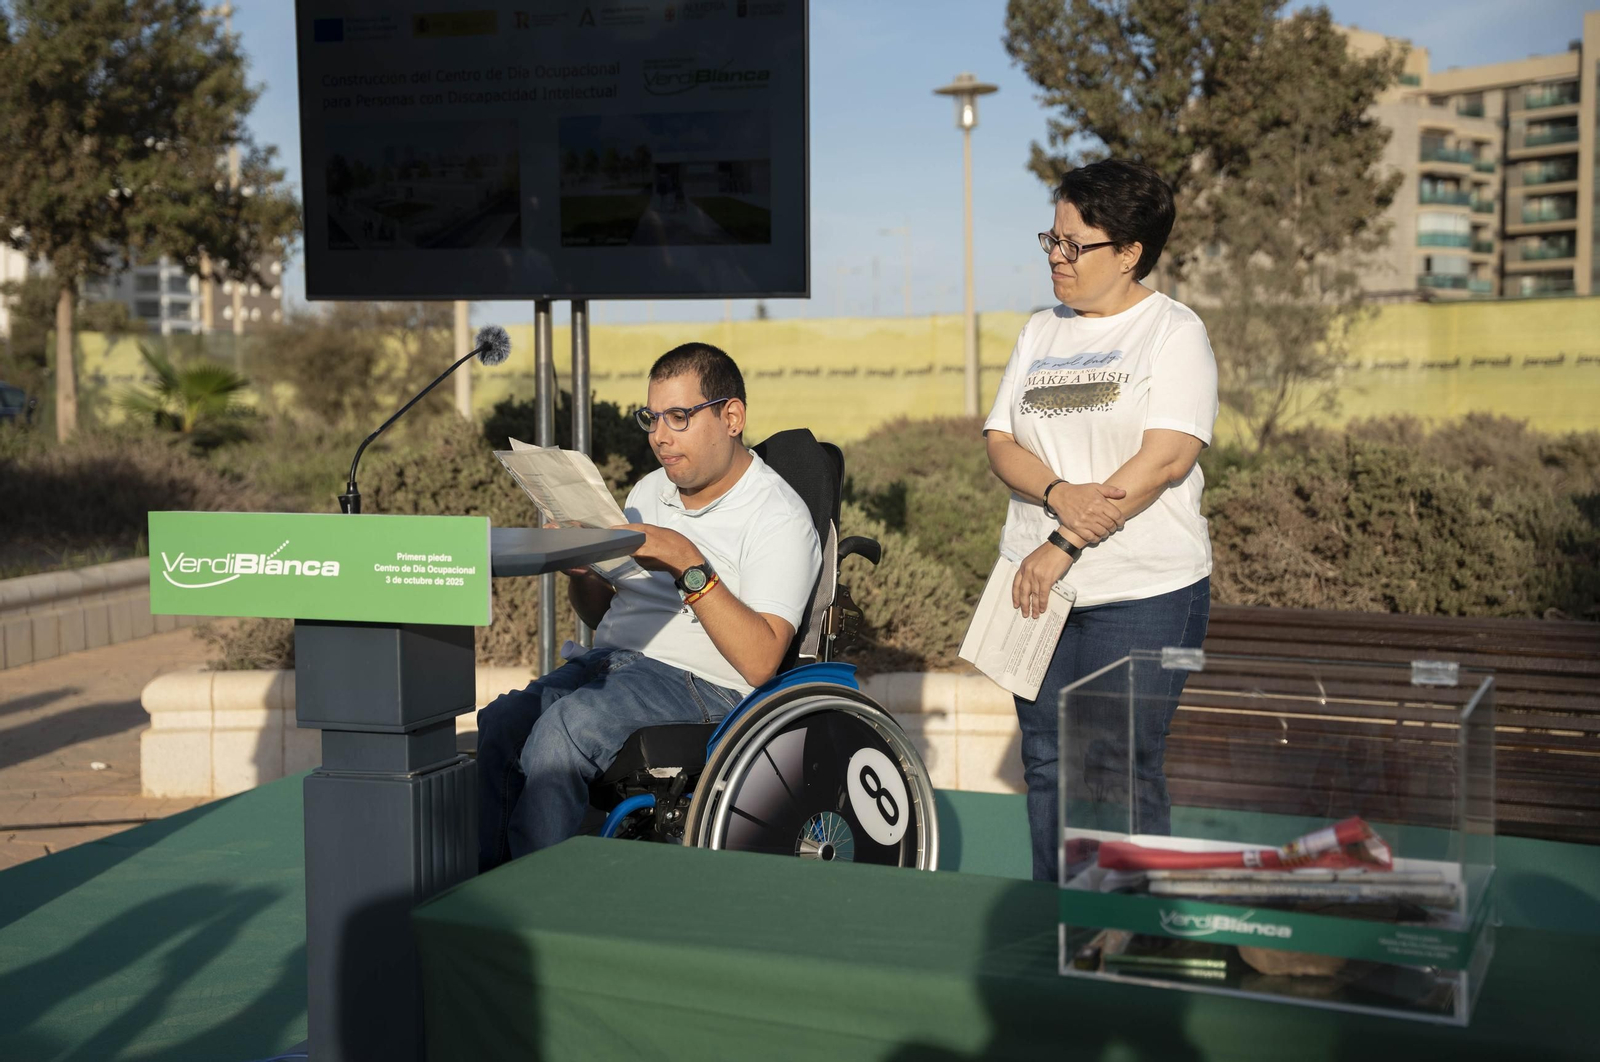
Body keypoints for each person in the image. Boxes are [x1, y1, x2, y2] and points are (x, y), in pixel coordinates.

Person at [477, 343, 822, 870]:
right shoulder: (650, 488)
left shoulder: (779, 516)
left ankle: (538, 911)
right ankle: (490, 893)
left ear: (732, 416)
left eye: (679, 417)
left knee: (562, 732)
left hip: (705, 682)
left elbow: (759, 661)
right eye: (652, 418)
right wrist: (584, 571)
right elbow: (606, 614)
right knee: (501, 723)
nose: (660, 437)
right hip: (616, 661)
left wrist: (686, 561)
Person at [982, 159, 1218, 883]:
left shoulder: (1173, 333)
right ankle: (1060, 919)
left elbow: (1165, 460)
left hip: (1141, 591)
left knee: (1118, 765)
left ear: (1129, 253)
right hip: (1033, 586)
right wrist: (1057, 493)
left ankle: (1129, 928)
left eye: (1074, 244)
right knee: (1048, 761)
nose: (1056, 257)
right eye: (1051, 239)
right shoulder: (1039, 333)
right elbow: (1000, 442)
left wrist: (1064, 541)